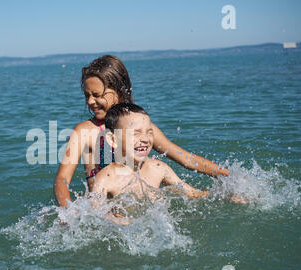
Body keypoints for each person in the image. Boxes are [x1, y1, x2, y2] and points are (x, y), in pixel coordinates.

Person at [54, 55, 229, 207]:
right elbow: (62, 180)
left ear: (120, 91)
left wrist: (228, 175)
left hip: (143, 206)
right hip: (105, 212)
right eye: (87, 95)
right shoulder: (84, 131)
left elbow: (187, 160)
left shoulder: (143, 129)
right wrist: (68, 210)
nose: (91, 101)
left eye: (97, 95)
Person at [91, 103, 245, 225]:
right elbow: (94, 213)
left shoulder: (157, 169)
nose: (145, 139)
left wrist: (224, 195)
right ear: (112, 139)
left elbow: (192, 193)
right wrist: (117, 220)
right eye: (136, 133)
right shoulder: (107, 178)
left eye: (149, 132)